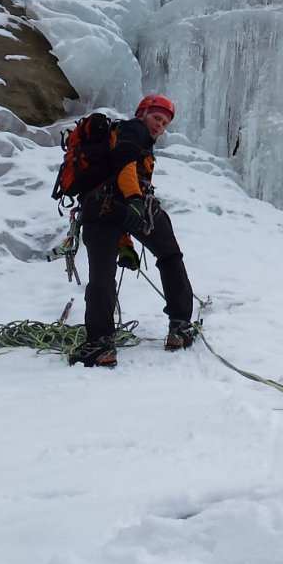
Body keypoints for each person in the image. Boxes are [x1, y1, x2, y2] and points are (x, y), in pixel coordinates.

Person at [69, 94, 198, 367]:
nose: (159, 126)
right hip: (127, 204)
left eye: (164, 124)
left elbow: (114, 211)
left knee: (101, 275)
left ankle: (100, 343)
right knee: (170, 256)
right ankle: (180, 326)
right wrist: (135, 201)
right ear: (143, 113)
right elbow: (125, 165)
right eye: (156, 118)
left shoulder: (124, 135)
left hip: (97, 210)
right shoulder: (133, 129)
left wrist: (125, 244)